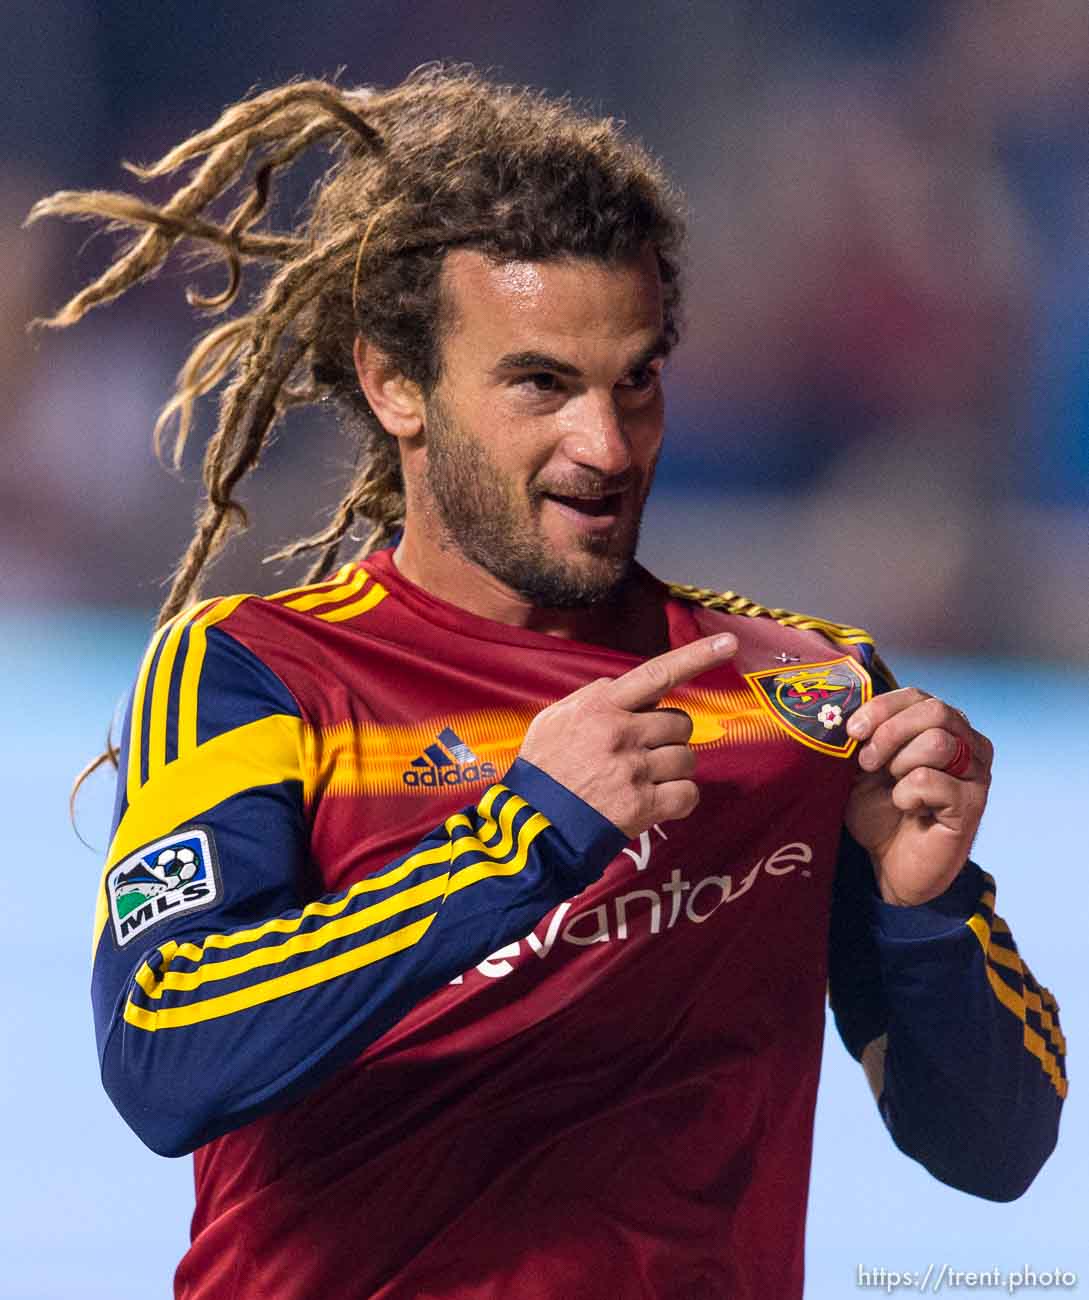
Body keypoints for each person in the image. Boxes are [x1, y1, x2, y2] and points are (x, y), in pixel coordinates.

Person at [32, 68, 1065, 1300]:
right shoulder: (255, 672)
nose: (607, 444)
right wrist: (524, 835)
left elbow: (996, 1153)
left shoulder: (799, 690)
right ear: (394, 384)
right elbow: (166, 1049)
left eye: (635, 379)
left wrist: (924, 913)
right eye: (541, 384)